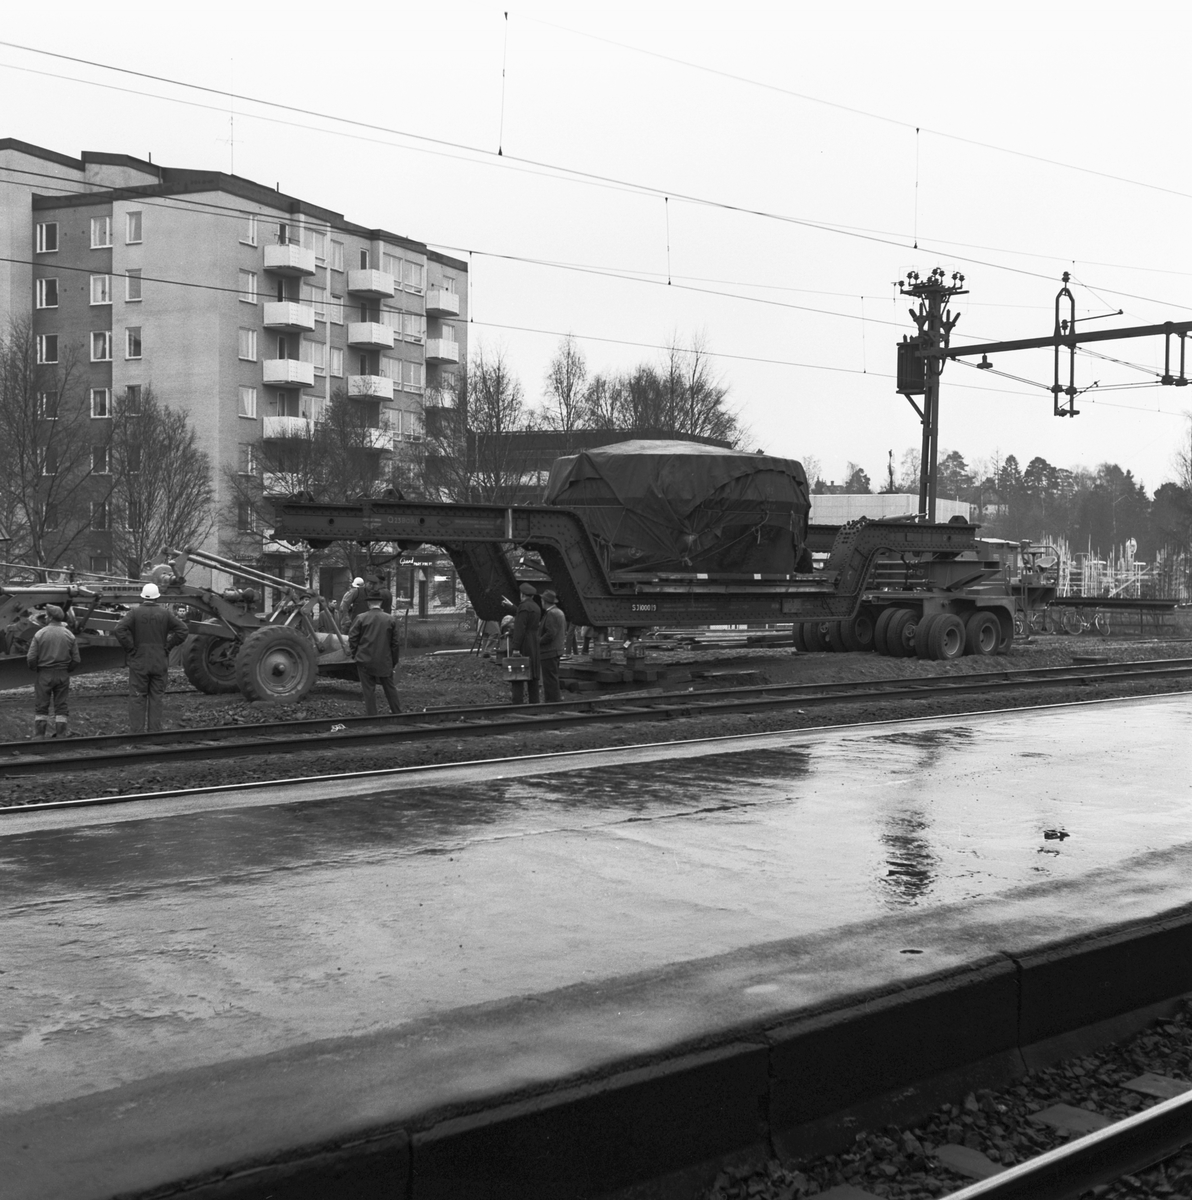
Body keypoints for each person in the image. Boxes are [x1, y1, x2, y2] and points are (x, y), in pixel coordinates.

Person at [113, 582, 189, 734]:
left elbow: (119, 629)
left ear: (143, 596)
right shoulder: (165, 614)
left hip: (139, 660)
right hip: (159, 660)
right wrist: (168, 646)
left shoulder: (135, 613)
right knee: (156, 697)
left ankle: (137, 733)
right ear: (157, 597)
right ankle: (154, 732)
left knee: (137, 697)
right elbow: (183, 630)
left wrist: (130, 648)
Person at [26, 604, 79, 738]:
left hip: (44, 673)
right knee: (61, 706)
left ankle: (39, 736)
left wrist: (35, 669)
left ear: (49, 618)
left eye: (46, 616)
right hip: (62, 674)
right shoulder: (69, 635)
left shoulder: (40, 634)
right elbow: (76, 659)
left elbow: (31, 657)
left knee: (41, 706)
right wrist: (67, 670)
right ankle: (61, 735)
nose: (45, 618)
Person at [348, 592, 401, 714]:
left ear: (368, 603)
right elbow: (395, 643)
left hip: (364, 659)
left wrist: (355, 654)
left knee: (368, 690)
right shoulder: (390, 619)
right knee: (390, 688)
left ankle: (372, 716)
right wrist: (393, 661)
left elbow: (352, 638)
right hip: (385, 659)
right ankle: (397, 713)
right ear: (381, 603)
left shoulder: (361, 618)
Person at [508, 582, 542, 705]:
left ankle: (517, 703)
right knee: (533, 674)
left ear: (522, 594)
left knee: (518, 673)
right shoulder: (536, 607)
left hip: (524, 643)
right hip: (534, 642)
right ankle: (534, 703)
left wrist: (516, 647)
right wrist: (512, 607)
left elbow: (520, 629)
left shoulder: (523, 607)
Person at [539, 590, 567, 703]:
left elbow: (550, 633)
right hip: (555, 649)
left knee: (549, 678)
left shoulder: (551, 613)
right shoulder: (559, 612)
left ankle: (552, 701)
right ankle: (554, 700)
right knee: (553, 677)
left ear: (544, 601)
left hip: (549, 650)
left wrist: (538, 641)